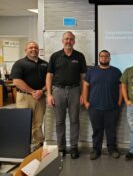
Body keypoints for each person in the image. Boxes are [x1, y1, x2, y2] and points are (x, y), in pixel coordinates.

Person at [46, 31, 87, 159]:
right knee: (59, 121)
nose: (68, 41)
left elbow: (83, 78)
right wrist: (49, 94)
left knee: (75, 120)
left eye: (71, 39)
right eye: (66, 39)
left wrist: (83, 95)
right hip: (58, 91)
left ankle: (74, 147)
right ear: (62, 41)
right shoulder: (55, 56)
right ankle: (61, 147)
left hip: (75, 91)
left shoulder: (80, 56)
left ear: (74, 41)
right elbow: (49, 76)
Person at [81, 50, 122, 160]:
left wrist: (119, 102)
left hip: (112, 107)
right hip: (94, 107)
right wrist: (86, 102)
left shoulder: (116, 71)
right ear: (99, 58)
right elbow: (85, 86)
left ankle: (112, 149)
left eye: (106, 56)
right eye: (102, 56)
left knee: (111, 130)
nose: (104, 58)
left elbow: (121, 88)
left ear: (109, 58)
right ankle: (96, 149)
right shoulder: (91, 71)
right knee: (97, 130)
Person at [11, 41, 48, 147]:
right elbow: (16, 81)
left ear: (38, 50)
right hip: (25, 97)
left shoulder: (45, 64)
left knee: (38, 122)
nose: (33, 49)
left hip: (40, 97)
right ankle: (22, 146)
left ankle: (38, 145)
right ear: (26, 50)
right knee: (24, 122)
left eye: (35, 47)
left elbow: (49, 80)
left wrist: (42, 91)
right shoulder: (19, 63)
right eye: (31, 47)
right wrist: (32, 92)